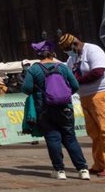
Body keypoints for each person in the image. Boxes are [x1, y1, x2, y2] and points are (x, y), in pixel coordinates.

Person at [22, 40, 90, 180]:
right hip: (65, 108)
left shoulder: (34, 69)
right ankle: (83, 170)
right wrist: (62, 95)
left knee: (53, 138)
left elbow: (27, 89)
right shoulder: (63, 67)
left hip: (45, 109)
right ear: (52, 53)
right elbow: (75, 86)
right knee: (70, 138)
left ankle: (59, 171)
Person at [58, 33, 105, 177]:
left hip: (100, 94)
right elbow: (66, 73)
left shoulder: (92, 50)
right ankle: (99, 164)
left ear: (75, 43)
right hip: (84, 97)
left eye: (68, 48)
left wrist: (77, 81)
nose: (68, 52)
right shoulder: (72, 58)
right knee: (94, 133)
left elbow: (98, 71)